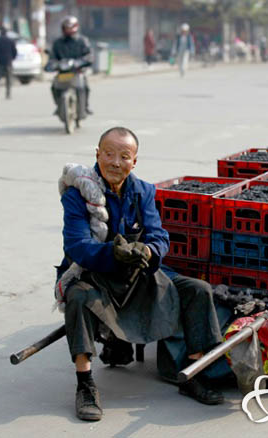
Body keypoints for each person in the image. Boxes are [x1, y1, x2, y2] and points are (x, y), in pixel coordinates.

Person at [56, 127, 224, 421]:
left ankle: (195, 372)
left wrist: (148, 252)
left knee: (198, 290)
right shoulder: (77, 194)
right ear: (97, 154)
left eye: (124, 156)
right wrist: (112, 254)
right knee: (79, 296)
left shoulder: (143, 191)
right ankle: (85, 385)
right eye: (109, 154)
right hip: (95, 273)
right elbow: (77, 246)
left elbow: (159, 236)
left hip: (139, 275)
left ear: (134, 162)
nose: (115, 162)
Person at [49, 16, 93, 114]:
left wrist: (81, 62)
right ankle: (59, 105)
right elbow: (52, 57)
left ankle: (85, 106)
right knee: (54, 87)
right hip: (62, 72)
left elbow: (89, 55)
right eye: (66, 27)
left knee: (85, 87)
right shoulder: (57, 43)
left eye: (70, 27)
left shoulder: (82, 40)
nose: (68, 30)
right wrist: (52, 64)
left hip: (77, 71)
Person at [0, 26, 17, 100]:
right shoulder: (11, 41)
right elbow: (14, 52)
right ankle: (8, 94)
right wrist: (12, 59)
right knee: (8, 79)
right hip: (8, 62)